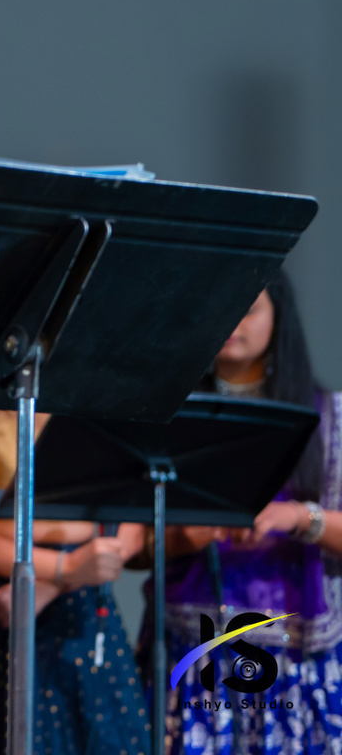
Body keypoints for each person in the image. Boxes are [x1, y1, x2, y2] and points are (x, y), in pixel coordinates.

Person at [154, 272, 342, 753]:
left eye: (249, 308)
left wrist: (300, 518)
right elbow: (131, 546)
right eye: (220, 309)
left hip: (296, 657)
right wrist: (184, 536)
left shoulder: (330, 415)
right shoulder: (169, 415)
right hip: (194, 654)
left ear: (279, 315)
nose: (231, 323)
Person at [0, 409, 148, 755]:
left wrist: (58, 581)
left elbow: (132, 523)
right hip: (0, 596)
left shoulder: (90, 406)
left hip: (82, 604)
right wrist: (63, 568)